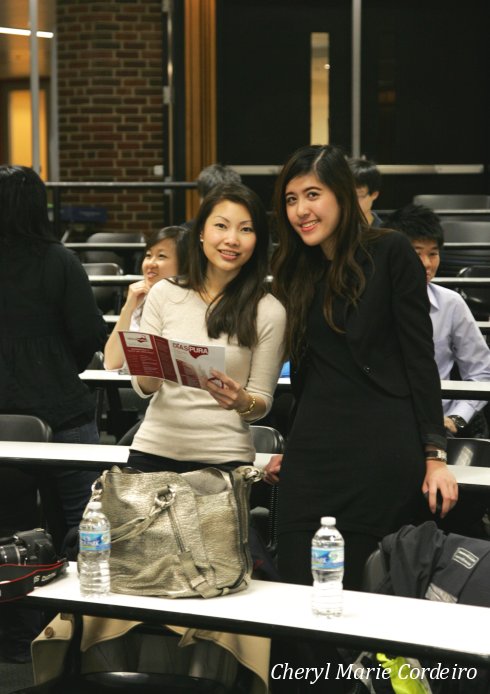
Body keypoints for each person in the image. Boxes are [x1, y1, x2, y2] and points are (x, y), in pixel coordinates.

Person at [265, 145, 458, 593]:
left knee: (362, 592)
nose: (300, 210)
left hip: (379, 449)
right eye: (290, 200)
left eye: (312, 194)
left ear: (342, 195)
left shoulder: (390, 250)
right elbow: (308, 375)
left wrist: (435, 455)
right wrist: (292, 445)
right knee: (295, 586)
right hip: (314, 452)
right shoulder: (295, 267)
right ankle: (304, 669)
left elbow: (418, 357)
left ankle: (354, 670)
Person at [0, 165, 106, 661]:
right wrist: (57, 363)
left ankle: (18, 639)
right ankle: (80, 636)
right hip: (63, 411)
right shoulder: (59, 260)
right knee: (83, 526)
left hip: (4, 423)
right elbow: (88, 334)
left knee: (7, 532)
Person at [128, 182, 286, 472]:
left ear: (258, 240)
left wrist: (240, 400)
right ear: (201, 233)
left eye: (246, 229)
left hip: (223, 459)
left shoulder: (269, 311)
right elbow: (144, 387)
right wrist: (148, 373)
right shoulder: (164, 293)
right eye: (221, 226)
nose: (232, 239)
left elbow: (261, 402)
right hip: (152, 450)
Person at [384, 203, 490, 438]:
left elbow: (482, 370)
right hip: (382, 425)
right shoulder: (368, 304)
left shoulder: (451, 304)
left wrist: (457, 417)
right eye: (416, 252)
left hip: (436, 426)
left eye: (433, 253)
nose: (427, 264)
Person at [103, 225, 189, 370]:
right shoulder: (142, 300)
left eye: (161, 256)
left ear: (186, 264)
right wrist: (128, 309)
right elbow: (111, 363)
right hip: (139, 388)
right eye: (148, 255)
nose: (150, 263)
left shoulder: (194, 303)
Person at [347, 156, 383, 227]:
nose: (349, 202)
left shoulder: (386, 235)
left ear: (374, 195)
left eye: (357, 195)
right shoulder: (330, 231)